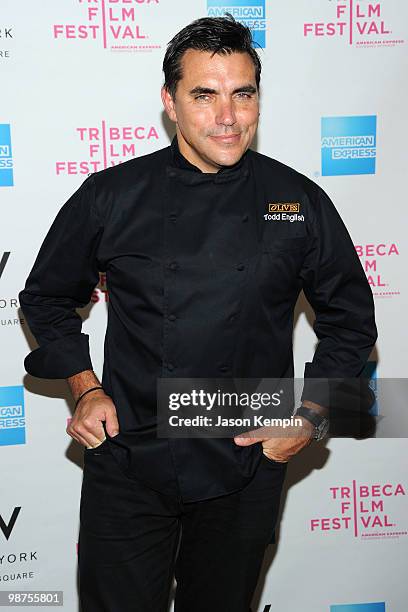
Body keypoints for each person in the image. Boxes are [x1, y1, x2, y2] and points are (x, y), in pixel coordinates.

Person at [19, 14, 377, 612]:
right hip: (129, 457)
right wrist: (85, 389)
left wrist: (309, 416)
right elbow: (47, 297)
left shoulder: (298, 201)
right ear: (170, 101)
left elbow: (352, 322)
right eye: (204, 95)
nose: (228, 116)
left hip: (245, 461)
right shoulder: (112, 195)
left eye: (243, 93)